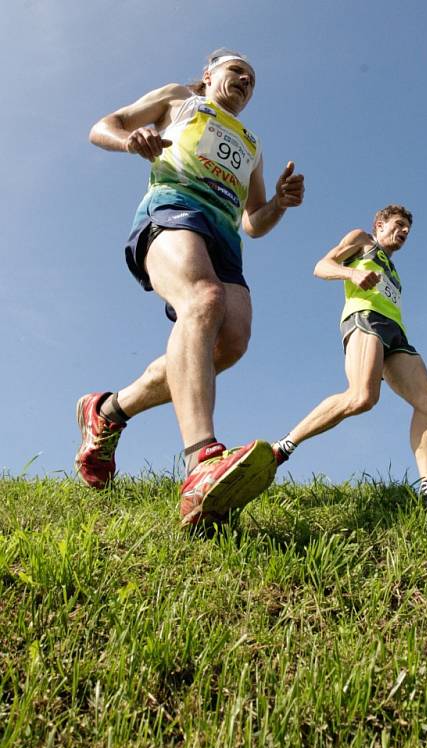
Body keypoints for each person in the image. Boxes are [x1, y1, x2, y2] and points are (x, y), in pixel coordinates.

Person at [75, 48, 305, 526]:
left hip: (225, 237)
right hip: (173, 209)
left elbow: (253, 221)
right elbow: (104, 125)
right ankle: (201, 461)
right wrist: (130, 139)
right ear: (208, 74)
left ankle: (109, 411)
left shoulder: (252, 143)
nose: (244, 80)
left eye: (252, 79)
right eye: (236, 70)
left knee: (230, 342)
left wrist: (279, 203)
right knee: (203, 299)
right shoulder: (180, 98)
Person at [272, 205, 427, 503]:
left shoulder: (393, 270)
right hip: (365, 319)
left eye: (407, 230)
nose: (404, 232)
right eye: (399, 224)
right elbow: (321, 266)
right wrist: (351, 274)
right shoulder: (363, 240)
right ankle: (284, 446)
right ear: (380, 224)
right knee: (362, 397)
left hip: (396, 332)